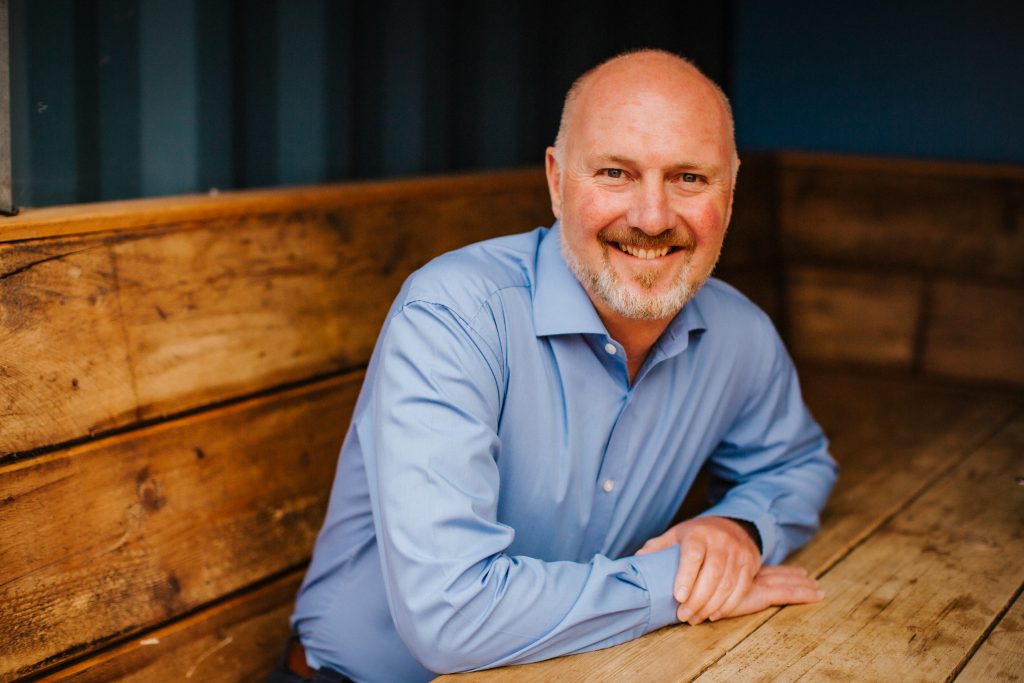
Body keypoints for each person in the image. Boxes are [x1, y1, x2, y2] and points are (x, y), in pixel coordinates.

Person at [276, 49, 837, 683]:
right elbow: (451, 616)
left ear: (730, 196)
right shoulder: (454, 315)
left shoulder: (739, 334)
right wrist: (677, 582)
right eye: (616, 173)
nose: (652, 218)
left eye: (689, 178)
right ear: (555, 179)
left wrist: (738, 530)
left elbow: (796, 464)